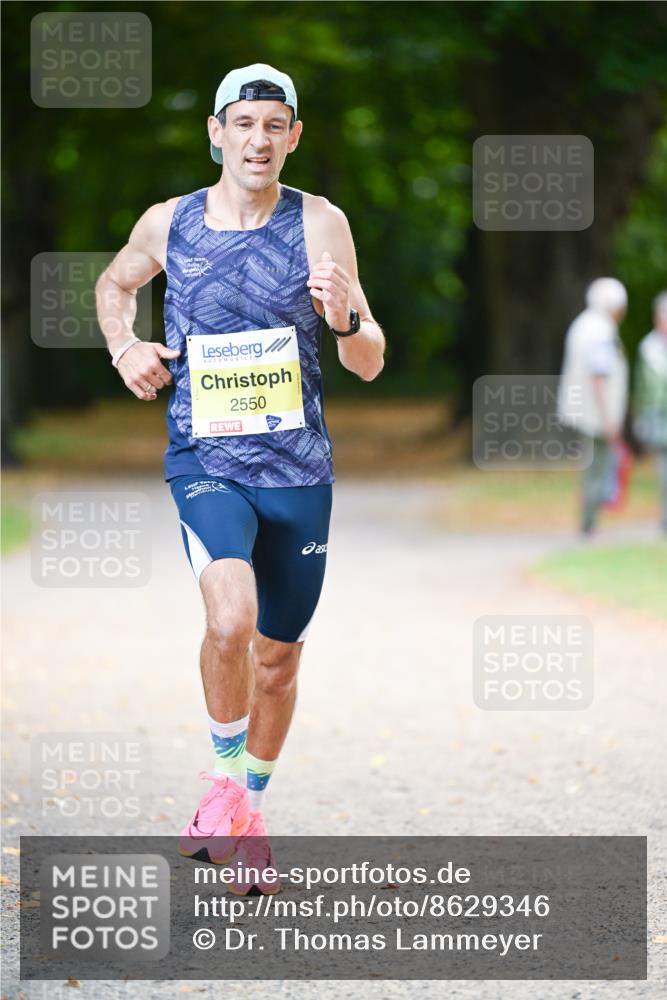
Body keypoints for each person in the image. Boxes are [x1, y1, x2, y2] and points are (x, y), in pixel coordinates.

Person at [95, 63, 385, 893]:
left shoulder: (321, 224)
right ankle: (224, 793)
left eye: (274, 126)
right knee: (232, 615)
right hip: (206, 458)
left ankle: (243, 807)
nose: (257, 140)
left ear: (292, 137)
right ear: (216, 132)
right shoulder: (170, 222)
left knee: (278, 660)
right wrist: (126, 347)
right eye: (242, 123)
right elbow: (114, 286)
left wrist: (346, 318)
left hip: (298, 470)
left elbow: (367, 360)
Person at [557, 277, 629, 535]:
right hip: (596, 413)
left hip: (583, 410)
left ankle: (589, 521)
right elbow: (599, 376)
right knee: (597, 466)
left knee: (591, 465)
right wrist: (608, 418)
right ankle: (589, 523)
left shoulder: (583, 324)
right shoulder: (602, 330)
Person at [633, 291, 667, 534]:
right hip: (658, 416)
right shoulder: (649, 347)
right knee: (663, 468)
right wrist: (640, 419)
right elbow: (642, 386)